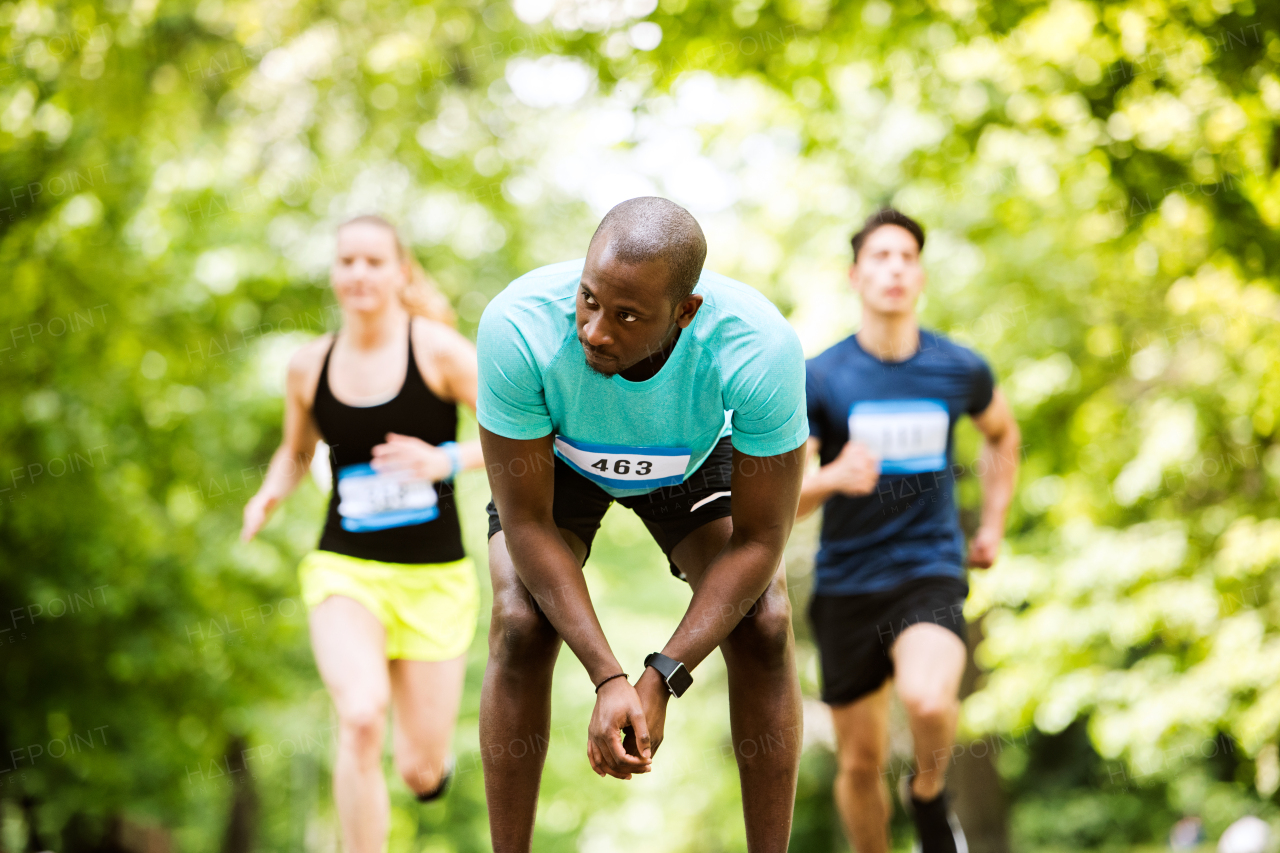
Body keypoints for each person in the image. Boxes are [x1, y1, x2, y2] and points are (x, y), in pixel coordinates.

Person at [476, 197, 808, 853]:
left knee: (765, 620)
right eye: (589, 299)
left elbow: (762, 541)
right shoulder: (518, 326)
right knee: (519, 617)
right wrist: (608, 677)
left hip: (688, 456)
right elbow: (527, 522)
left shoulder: (758, 348)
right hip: (558, 458)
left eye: (627, 315)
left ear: (685, 312)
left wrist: (661, 676)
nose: (596, 330)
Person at [240, 215, 484, 853]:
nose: (359, 274)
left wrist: (446, 460)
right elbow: (295, 453)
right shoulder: (307, 367)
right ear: (333, 273)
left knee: (418, 769)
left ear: (402, 272)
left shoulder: (437, 350)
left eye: (374, 261)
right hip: (344, 567)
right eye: (347, 261)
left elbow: (520, 429)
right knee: (360, 716)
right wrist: (270, 492)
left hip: (435, 578)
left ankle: (431, 768)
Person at [799, 208, 1020, 853]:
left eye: (906, 257)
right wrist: (833, 476)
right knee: (860, 763)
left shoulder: (958, 368)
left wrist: (995, 525)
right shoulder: (823, 376)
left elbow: (1002, 433)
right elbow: (788, 499)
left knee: (928, 701)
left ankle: (927, 794)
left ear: (920, 275)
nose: (894, 268)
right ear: (855, 275)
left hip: (929, 569)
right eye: (880, 257)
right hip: (846, 584)